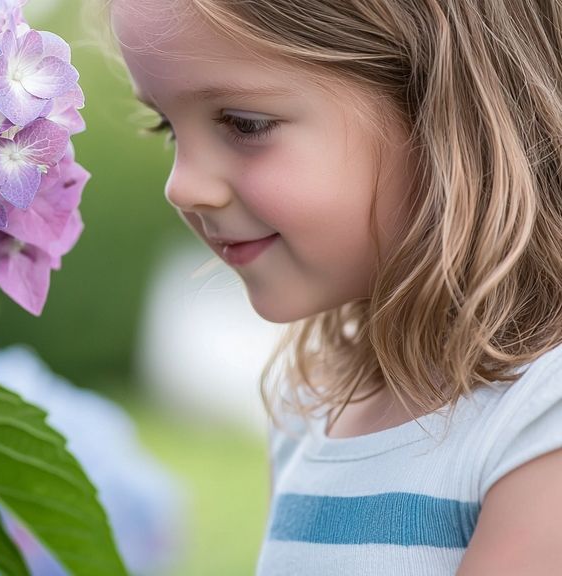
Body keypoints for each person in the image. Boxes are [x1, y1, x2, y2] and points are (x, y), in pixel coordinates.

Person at [105, 0, 562, 574]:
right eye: (168, 127)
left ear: (442, 103)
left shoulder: (541, 418)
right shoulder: (310, 407)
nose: (184, 186)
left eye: (245, 124)